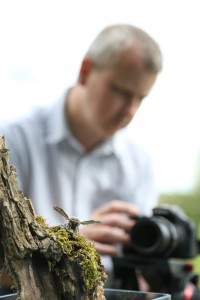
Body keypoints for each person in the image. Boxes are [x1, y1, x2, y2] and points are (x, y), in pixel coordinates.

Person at [0, 24, 163, 286]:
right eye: (121, 91)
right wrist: (72, 249)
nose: (129, 110)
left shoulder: (139, 163)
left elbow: (139, 275)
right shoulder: (12, 142)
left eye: (140, 98)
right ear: (85, 72)